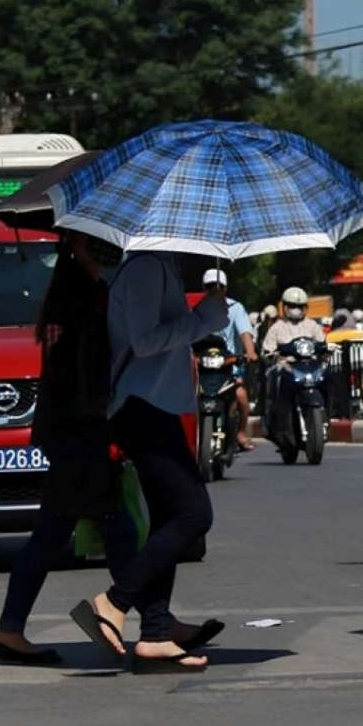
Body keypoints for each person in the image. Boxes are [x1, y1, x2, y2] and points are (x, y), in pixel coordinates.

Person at [0, 233, 219, 666]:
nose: (101, 251)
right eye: (89, 245)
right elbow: (81, 379)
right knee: (87, 529)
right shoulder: (81, 303)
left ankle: (153, 623)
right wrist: (100, 434)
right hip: (79, 434)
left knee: (103, 528)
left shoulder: (98, 292)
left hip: (88, 431)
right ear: (75, 251)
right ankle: (115, 608)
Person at [70, 251, 229, 674]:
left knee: (166, 518)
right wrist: (203, 320)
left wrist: (204, 318)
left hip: (154, 406)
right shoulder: (145, 266)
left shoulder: (159, 265)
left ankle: (156, 633)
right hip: (143, 408)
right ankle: (114, 602)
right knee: (194, 515)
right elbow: (144, 341)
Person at [201, 269, 258, 450]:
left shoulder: (235, 308)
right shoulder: (197, 309)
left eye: (219, 287)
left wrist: (250, 352)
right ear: (204, 288)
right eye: (210, 287)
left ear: (225, 289)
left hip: (229, 365)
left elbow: (245, 333)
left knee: (240, 397)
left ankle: (240, 431)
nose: (215, 291)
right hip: (203, 367)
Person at [261, 287, 326, 429]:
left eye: (299, 306)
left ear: (305, 308)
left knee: (326, 375)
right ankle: (272, 413)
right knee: (272, 375)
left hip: (309, 367)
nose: (295, 310)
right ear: (284, 307)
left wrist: (326, 350)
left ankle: (329, 412)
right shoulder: (277, 327)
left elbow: (322, 344)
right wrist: (272, 354)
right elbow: (268, 349)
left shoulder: (313, 326)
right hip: (286, 368)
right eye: (292, 306)